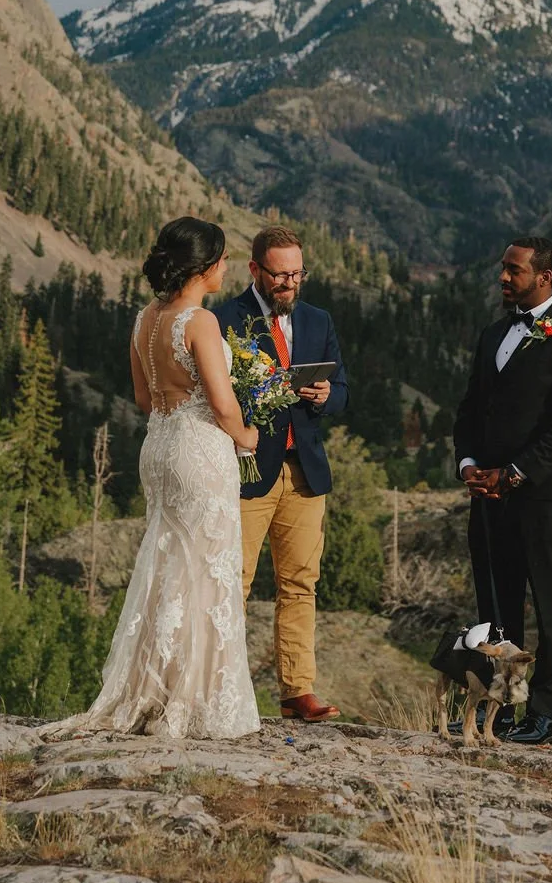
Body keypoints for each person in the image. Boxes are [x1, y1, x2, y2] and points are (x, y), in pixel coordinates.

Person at [45, 217, 261, 739]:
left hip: (160, 446)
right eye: (223, 258)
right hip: (199, 450)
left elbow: (144, 399)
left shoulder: (145, 319)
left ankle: (152, 689)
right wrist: (249, 436)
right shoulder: (200, 323)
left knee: (167, 563)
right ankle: (194, 701)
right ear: (205, 267)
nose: (227, 267)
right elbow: (222, 402)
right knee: (207, 569)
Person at [452, 235, 552, 746]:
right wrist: (470, 464)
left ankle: (544, 714)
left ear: (545, 277)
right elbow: (471, 408)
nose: (502, 277)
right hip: (488, 494)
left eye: (513, 270)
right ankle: (502, 710)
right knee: (497, 610)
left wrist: (514, 473)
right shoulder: (494, 332)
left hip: (544, 493)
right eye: (503, 267)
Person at [215, 226, 348, 722]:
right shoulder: (224, 320)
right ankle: (223, 686)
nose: (290, 283)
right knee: (235, 581)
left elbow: (344, 389)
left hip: (306, 472)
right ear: (255, 271)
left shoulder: (319, 319)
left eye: (297, 273)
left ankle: (297, 691)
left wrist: (326, 397)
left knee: (300, 584)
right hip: (248, 471)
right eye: (280, 274)